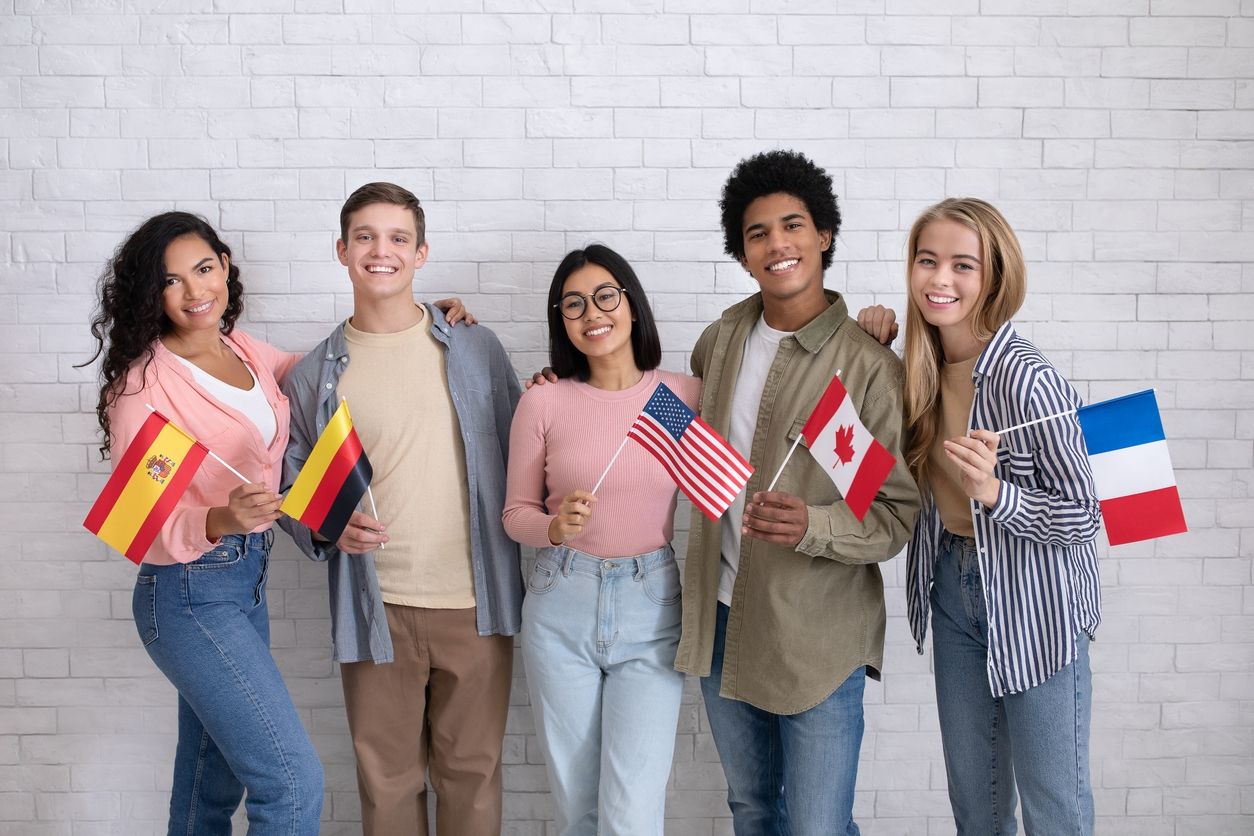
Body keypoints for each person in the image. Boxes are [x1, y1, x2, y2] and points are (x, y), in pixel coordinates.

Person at [673, 150, 921, 836]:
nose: (778, 243)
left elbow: (893, 517)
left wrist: (811, 524)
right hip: (721, 620)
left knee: (817, 825)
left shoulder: (867, 370)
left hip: (817, 636)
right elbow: (651, 403)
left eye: (793, 225)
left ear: (824, 236)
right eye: (758, 233)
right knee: (753, 810)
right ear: (743, 253)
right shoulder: (718, 341)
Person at [279, 182, 522, 836]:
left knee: (472, 778)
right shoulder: (313, 375)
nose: (379, 251)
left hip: (475, 604)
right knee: (387, 786)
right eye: (364, 236)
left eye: (396, 238)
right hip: (374, 610)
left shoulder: (476, 348)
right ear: (341, 250)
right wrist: (326, 524)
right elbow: (290, 481)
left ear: (420, 253)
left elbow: (526, 444)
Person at [858, 198, 1102, 834]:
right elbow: (873, 465)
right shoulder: (917, 368)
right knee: (978, 807)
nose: (941, 279)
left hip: (1037, 605)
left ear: (994, 277)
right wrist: (868, 347)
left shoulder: (1027, 380)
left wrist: (997, 495)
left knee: (1055, 810)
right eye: (927, 261)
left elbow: (1084, 515)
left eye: (962, 265)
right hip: (953, 593)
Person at [85, 211, 324, 834]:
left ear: (224, 267)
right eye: (172, 280)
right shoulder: (146, 388)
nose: (195, 291)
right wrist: (220, 516)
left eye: (204, 268)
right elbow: (139, 522)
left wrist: (411, 324)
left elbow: (317, 371)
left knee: (209, 785)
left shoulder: (240, 348)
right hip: (187, 595)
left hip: (244, 585)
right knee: (292, 782)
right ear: (149, 294)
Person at [502, 245, 697, 835]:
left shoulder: (682, 397)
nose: (593, 314)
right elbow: (515, 512)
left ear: (632, 305)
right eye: (574, 305)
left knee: (632, 807)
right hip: (562, 601)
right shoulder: (544, 400)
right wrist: (551, 528)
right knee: (577, 805)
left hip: (652, 605)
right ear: (561, 321)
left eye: (605, 296)